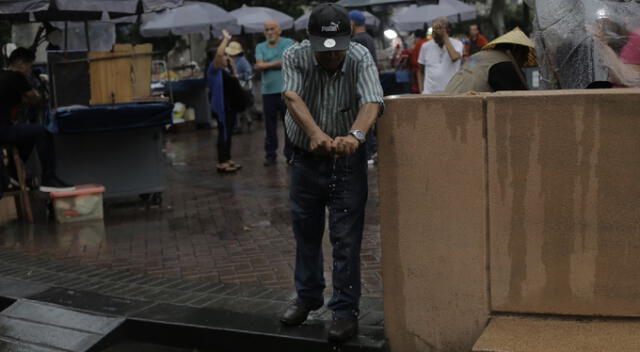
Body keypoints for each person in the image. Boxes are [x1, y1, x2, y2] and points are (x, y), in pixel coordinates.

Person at [278, 3, 384, 343]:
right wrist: (314, 134)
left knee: (346, 238)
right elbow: (292, 97)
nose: (331, 58)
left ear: (347, 40)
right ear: (309, 42)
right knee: (306, 232)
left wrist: (355, 136)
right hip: (306, 159)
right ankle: (308, 297)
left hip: (348, 162)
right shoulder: (294, 56)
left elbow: (372, 101)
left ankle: (344, 310)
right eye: (323, 53)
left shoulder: (359, 57)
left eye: (337, 51)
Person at [0, 48, 72, 193]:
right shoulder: (16, 76)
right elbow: (35, 99)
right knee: (42, 131)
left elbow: (19, 101)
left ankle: (12, 175)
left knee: (27, 137)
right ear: (20, 62)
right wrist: (44, 95)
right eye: (29, 66)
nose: (30, 70)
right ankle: (48, 177)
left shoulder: (3, 76)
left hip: (4, 128)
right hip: (2, 130)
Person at [445, 27, 536, 93]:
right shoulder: (504, 65)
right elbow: (521, 100)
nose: (525, 61)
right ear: (517, 52)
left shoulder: (477, 56)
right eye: (524, 56)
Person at [207, 31, 248, 173]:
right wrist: (226, 39)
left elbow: (234, 79)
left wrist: (232, 66)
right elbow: (219, 54)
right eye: (225, 55)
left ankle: (227, 158)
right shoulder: (213, 69)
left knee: (228, 133)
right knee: (223, 133)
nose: (226, 57)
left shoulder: (224, 70)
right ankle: (221, 162)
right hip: (221, 107)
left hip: (230, 107)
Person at [254, 20, 295, 166]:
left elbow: (286, 61)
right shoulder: (260, 46)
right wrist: (275, 63)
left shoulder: (287, 42)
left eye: (272, 29)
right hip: (268, 91)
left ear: (279, 31)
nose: (269, 32)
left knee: (289, 123)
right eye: (267, 29)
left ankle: (290, 154)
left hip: (286, 90)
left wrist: (266, 64)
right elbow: (258, 65)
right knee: (269, 125)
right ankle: (270, 154)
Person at [349, 9, 378, 165]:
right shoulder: (369, 38)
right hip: (370, 84)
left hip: (360, 86)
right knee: (369, 120)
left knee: (360, 120)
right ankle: (372, 150)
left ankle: (366, 154)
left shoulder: (357, 40)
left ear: (352, 23)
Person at [417, 17, 463, 94]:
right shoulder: (425, 46)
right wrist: (422, 90)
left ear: (447, 30)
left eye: (438, 30)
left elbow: (454, 57)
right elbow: (420, 70)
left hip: (451, 93)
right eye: (433, 31)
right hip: (429, 94)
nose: (434, 35)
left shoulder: (457, 43)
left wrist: (444, 36)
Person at [225, 41, 254, 133]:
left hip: (242, 88)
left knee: (240, 107)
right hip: (235, 87)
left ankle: (241, 125)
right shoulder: (230, 60)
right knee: (239, 107)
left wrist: (239, 76)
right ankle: (244, 123)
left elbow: (249, 73)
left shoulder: (242, 60)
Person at [410, 28, 428, 93]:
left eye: (414, 38)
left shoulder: (419, 44)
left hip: (421, 75)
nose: (413, 40)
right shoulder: (428, 42)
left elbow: (415, 62)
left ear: (417, 37)